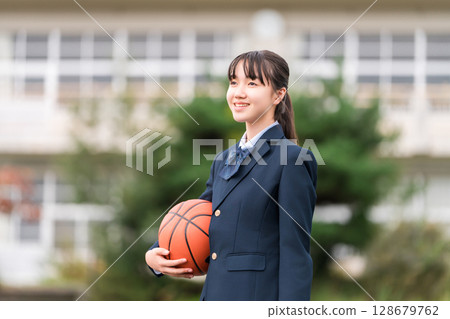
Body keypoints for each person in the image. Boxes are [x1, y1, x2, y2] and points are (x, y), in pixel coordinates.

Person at [145, 50, 318, 301]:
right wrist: (155, 254)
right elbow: (198, 213)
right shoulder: (222, 160)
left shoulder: (292, 159)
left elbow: (295, 253)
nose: (238, 92)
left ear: (278, 95)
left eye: (252, 83)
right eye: (233, 82)